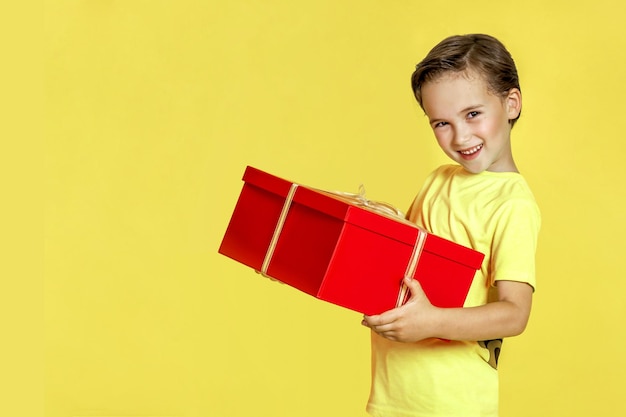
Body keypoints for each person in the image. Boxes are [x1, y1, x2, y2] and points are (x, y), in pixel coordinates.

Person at [361, 34, 541, 417]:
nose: (459, 137)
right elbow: (403, 264)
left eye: (473, 114)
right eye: (441, 123)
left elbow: (514, 313)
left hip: (452, 404)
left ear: (511, 103)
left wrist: (432, 322)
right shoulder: (438, 179)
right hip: (392, 396)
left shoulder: (513, 204)